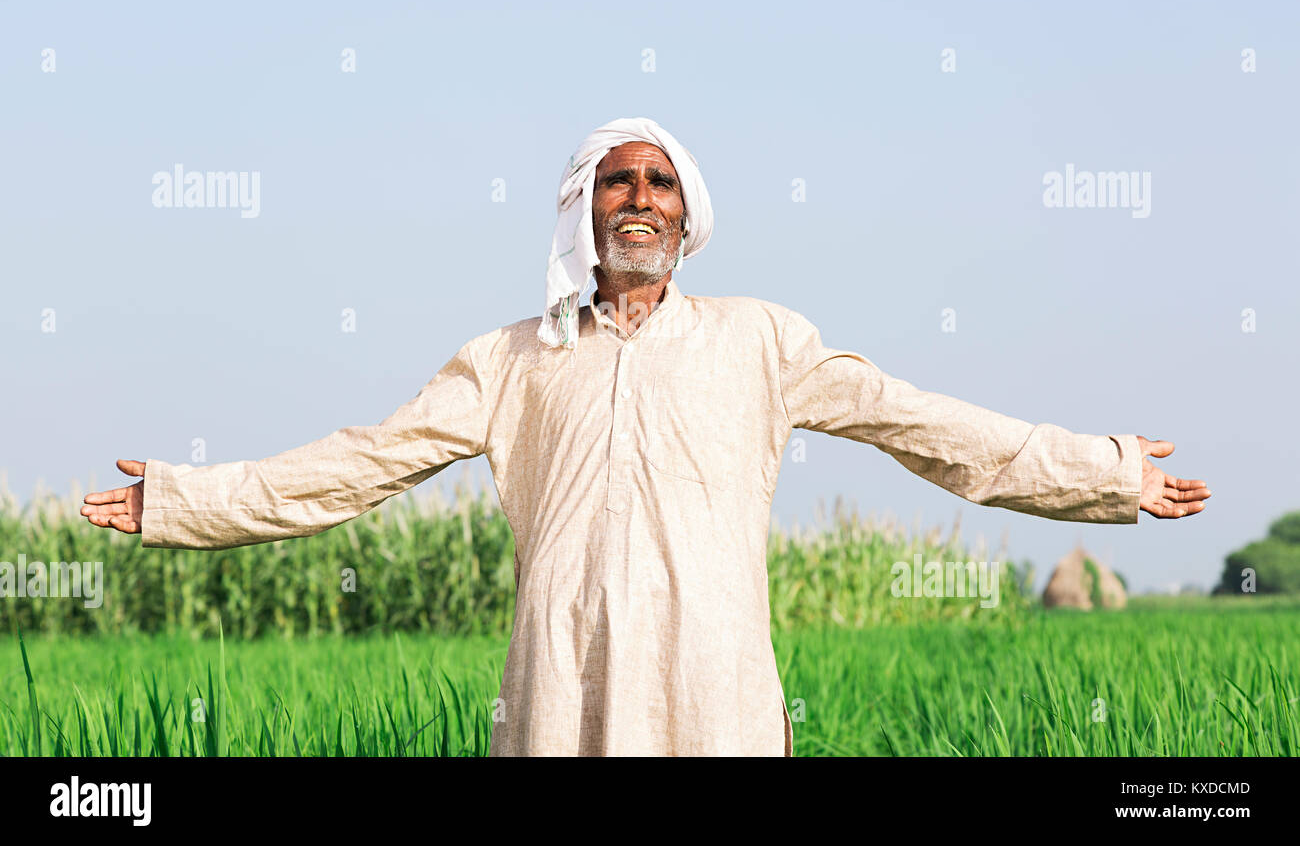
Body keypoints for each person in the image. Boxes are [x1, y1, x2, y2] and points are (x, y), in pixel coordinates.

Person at [81, 116, 1211, 756]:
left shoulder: (763, 340)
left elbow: (930, 428)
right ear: (581, 209)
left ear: (689, 212)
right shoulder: (510, 357)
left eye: (660, 181)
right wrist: (183, 499)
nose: (640, 197)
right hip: (559, 698)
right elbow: (356, 462)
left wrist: (1104, 474)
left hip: (715, 699)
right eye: (616, 180)